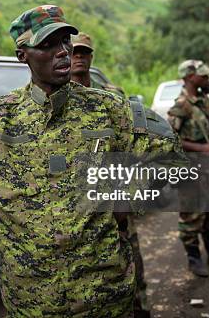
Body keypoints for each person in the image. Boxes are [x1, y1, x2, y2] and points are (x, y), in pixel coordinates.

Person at [0, 5, 176, 316]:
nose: (62, 52)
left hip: (104, 295)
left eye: (65, 41)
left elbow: (168, 157)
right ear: (22, 55)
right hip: (32, 300)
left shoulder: (109, 108)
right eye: (47, 45)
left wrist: (123, 199)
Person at [71, 31, 178, 318]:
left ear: (91, 57)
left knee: (131, 268)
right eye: (74, 52)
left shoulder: (112, 98)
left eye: (84, 53)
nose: (79, 57)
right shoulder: (57, 102)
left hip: (116, 201)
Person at [167, 60, 209, 277]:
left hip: (208, 168)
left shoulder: (202, 101)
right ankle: (193, 258)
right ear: (190, 77)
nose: (207, 79)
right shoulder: (181, 104)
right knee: (192, 214)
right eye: (203, 76)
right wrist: (200, 147)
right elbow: (169, 139)